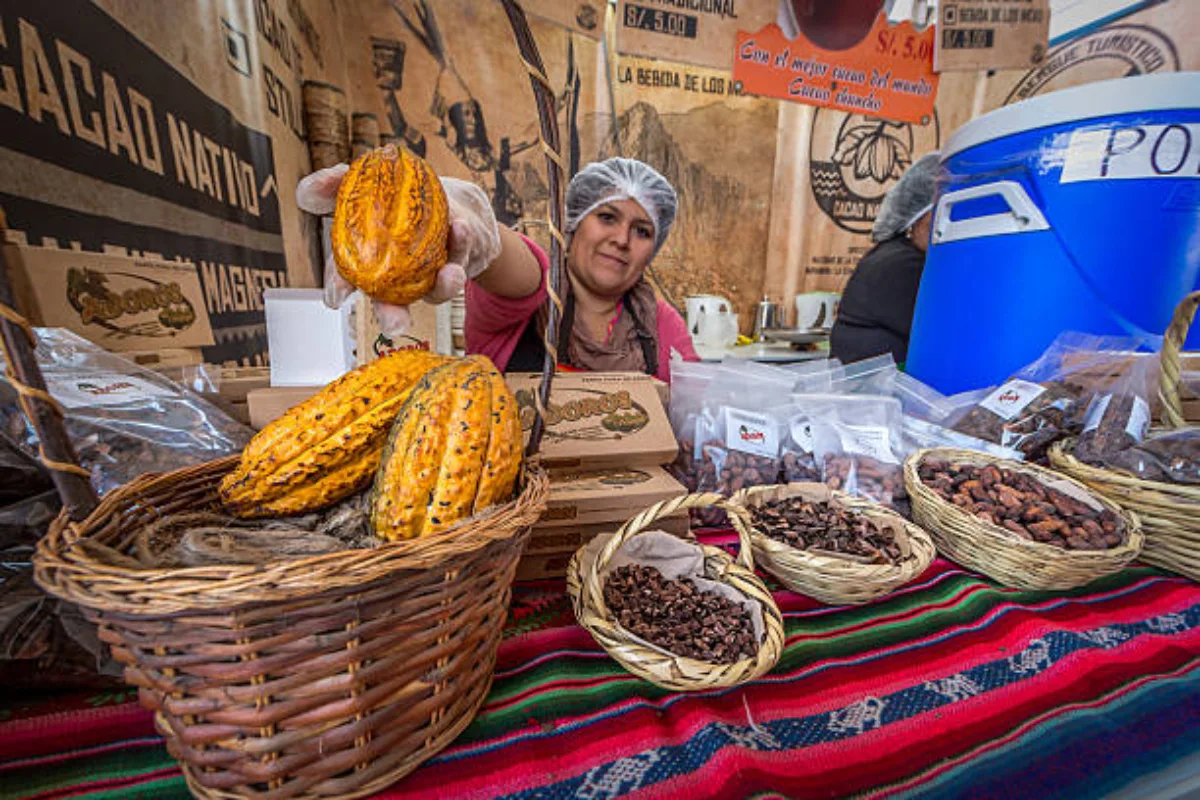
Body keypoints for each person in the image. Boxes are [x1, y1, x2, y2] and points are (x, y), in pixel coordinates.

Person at [296, 156, 697, 383]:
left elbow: (693, 419)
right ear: (574, 225)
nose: (622, 239)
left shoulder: (662, 325)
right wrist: (478, 230)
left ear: (653, 248)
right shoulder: (534, 294)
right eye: (607, 217)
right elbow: (525, 274)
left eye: (642, 230)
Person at [829, 152, 938, 366]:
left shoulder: (890, 253)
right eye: (934, 218)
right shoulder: (903, 265)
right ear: (914, 221)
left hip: (865, 388)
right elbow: (941, 331)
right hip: (873, 392)